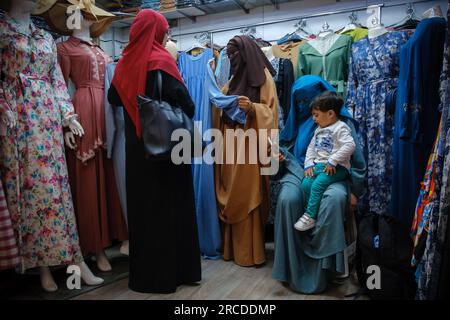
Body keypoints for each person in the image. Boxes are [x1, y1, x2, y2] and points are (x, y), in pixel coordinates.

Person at [108, 9, 201, 294]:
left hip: (138, 154)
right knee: (172, 209)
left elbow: (113, 97)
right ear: (158, 32)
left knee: (145, 212)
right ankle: (178, 272)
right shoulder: (162, 61)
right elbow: (188, 105)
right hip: (167, 150)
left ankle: (147, 277)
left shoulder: (124, 63)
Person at [272, 75, 366, 294]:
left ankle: (326, 271)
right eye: (300, 102)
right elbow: (287, 153)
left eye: (309, 102)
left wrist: (355, 190)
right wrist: (279, 158)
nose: (304, 108)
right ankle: (292, 269)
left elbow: (357, 160)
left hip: (333, 174)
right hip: (298, 171)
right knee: (287, 199)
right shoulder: (295, 124)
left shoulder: (342, 124)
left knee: (332, 200)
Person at [212, 35, 278, 267]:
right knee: (230, 194)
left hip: (251, 147)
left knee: (248, 196)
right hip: (230, 147)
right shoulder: (230, 82)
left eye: (234, 55)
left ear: (246, 54)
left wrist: (252, 109)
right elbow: (220, 108)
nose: (231, 60)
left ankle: (251, 253)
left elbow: (272, 114)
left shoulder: (263, 79)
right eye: (228, 56)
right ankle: (231, 250)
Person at [295, 91, 356, 231]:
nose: (313, 119)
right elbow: (311, 148)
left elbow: (350, 145)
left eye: (316, 115)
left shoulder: (341, 128)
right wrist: (308, 165)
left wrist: (333, 160)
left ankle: (310, 216)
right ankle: (314, 210)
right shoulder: (318, 130)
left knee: (317, 184)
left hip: (337, 167)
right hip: (320, 165)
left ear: (330, 113)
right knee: (305, 184)